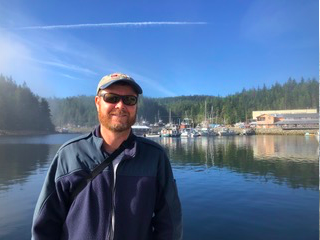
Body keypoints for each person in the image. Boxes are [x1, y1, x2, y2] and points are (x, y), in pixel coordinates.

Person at [31, 73, 183, 240]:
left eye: (130, 100)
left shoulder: (155, 157)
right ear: (98, 102)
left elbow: (169, 224)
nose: (120, 105)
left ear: (136, 105)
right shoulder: (69, 154)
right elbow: (45, 226)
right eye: (111, 98)